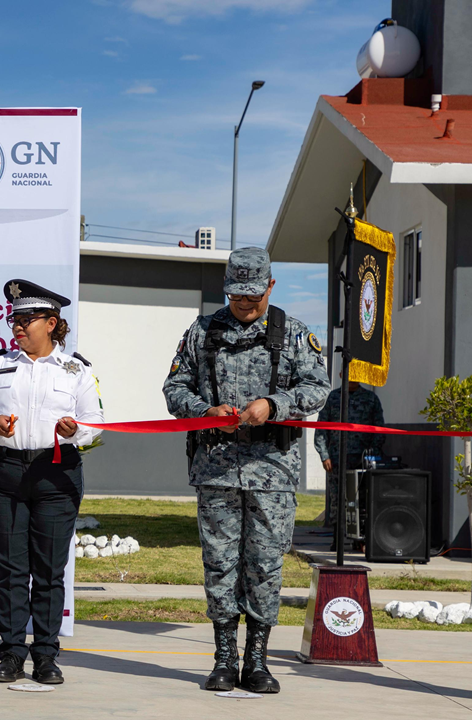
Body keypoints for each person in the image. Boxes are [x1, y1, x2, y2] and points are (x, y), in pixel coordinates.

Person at [163, 247, 329, 694]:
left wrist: (274, 405)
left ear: (270, 286)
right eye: (237, 295)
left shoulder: (292, 334)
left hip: (272, 472)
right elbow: (174, 387)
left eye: (254, 296)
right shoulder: (203, 331)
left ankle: (256, 660)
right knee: (219, 564)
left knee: (265, 565)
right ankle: (223, 658)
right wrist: (205, 411)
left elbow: (318, 387)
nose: (245, 304)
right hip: (216, 470)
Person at [0, 279, 103, 686]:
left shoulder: (77, 369)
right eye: (13, 319)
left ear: (52, 323)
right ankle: (10, 655)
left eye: (26, 319)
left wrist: (75, 429)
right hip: (6, 472)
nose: (17, 326)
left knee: (49, 570)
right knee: (10, 569)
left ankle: (45, 656)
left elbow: (96, 426)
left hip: (56, 473)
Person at [314, 380, 385, 528]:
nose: (352, 378)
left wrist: (373, 455)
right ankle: (337, 536)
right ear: (341, 374)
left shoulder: (370, 398)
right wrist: (324, 455)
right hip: (337, 458)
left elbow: (379, 429)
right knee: (337, 500)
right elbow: (321, 428)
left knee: (363, 499)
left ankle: (361, 538)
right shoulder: (332, 398)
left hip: (363, 459)